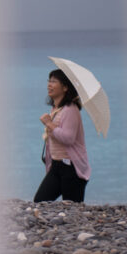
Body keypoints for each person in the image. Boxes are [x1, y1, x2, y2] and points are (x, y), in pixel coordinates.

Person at [33, 68, 90, 202]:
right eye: (49, 81)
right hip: (57, 166)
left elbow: (68, 139)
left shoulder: (71, 109)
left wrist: (49, 124)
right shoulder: (56, 109)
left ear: (65, 87)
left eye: (54, 81)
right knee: (40, 202)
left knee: (72, 210)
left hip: (71, 168)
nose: (49, 85)